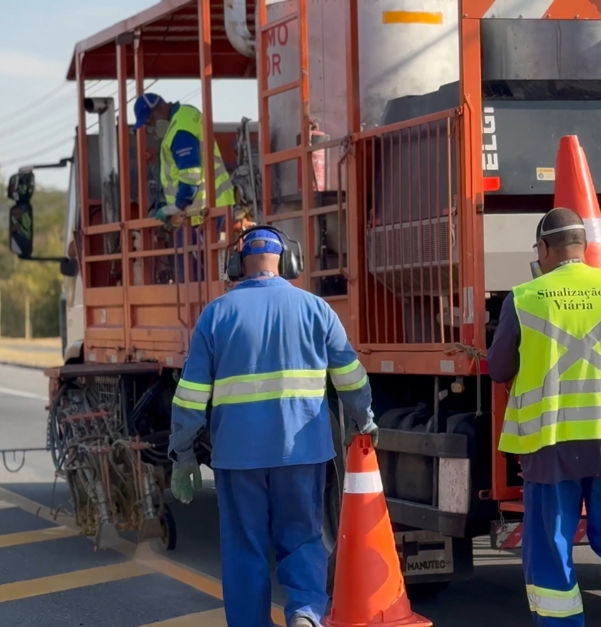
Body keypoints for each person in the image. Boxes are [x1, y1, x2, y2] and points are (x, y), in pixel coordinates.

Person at [166, 226, 379, 627]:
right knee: (301, 538)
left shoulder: (216, 314)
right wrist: (363, 418)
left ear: (236, 265)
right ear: (288, 261)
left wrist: (183, 453)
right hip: (303, 452)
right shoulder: (317, 309)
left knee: (245, 548)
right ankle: (305, 613)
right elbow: (350, 377)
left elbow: (190, 396)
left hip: (238, 456)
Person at [488, 207, 601, 627]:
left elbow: (498, 370)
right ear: (583, 249)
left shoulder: (525, 296)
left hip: (550, 447)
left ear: (544, 248)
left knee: (551, 553)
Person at [133, 93, 239, 283]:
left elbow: (191, 174)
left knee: (195, 278)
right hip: (211, 208)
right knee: (216, 274)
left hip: (199, 214)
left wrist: (176, 207)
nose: (151, 129)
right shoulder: (187, 115)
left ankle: (202, 311)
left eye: (149, 123)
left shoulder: (179, 130)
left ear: (157, 111)